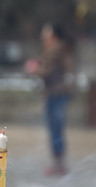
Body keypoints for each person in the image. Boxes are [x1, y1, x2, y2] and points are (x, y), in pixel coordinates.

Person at [25, 23, 75, 175]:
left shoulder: (55, 50)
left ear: (53, 36)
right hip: (57, 93)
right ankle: (59, 163)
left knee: (55, 128)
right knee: (56, 128)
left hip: (55, 94)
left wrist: (35, 69)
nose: (43, 38)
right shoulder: (58, 49)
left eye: (46, 35)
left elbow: (49, 71)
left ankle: (58, 165)